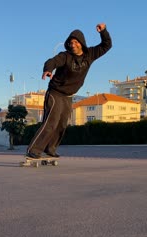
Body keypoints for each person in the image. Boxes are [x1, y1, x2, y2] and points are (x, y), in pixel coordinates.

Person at [26, 23, 112, 159]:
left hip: (68, 95)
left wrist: (104, 32)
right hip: (55, 92)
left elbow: (106, 45)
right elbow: (52, 61)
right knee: (51, 121)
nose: (73, 45)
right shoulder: (65, 56)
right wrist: (48, 70)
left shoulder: (90, 54)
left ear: (81, 43)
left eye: (76, 42)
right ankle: (34, 150)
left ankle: (50, 148)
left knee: (62, 124)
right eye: (70, 42)